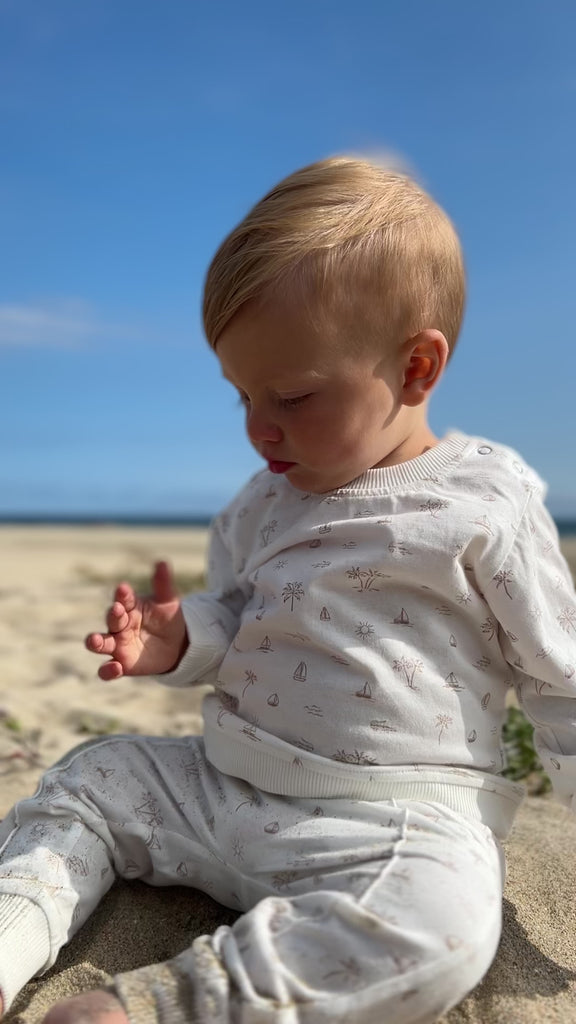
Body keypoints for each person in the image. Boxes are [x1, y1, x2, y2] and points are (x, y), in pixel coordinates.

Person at [1, 157, 575, 1024]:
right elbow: (239, 615)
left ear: (416, 368)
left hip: (392, 826)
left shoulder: (485, 503)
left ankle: (165, 1006)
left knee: (445, 925)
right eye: (239, 396)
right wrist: (182, 639)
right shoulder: (260, 503)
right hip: (224, 789)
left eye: (294, 396)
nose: (258, 428)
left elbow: (559, 678)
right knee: (95, 774)